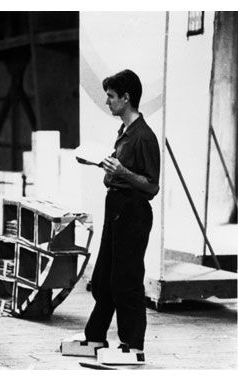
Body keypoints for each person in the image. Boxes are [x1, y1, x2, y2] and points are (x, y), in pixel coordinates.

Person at [80, 70, 160, 363]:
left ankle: (133, 345)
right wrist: (107, 171)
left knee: (126, 281)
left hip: (133, 213)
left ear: (126, 99)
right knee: (103, 279)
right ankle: (95, 337)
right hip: (115, 209)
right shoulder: (124, 133)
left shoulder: (144, 137)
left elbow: (152, 186)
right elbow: (120, 176)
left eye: (112, 96)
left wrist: (122, 173)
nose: (107, 101)